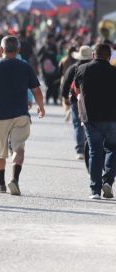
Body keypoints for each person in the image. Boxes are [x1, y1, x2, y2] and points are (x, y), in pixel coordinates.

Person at [0, 36, 45, 195]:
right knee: (18, 148)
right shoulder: (25, 66)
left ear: (1, 50)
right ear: (18, 50)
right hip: (20, 114)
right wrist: (41, 107)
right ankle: (14, 179)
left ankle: (1, 185)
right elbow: (36, 91)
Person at [74, 43, 116, 200]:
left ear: (93, 55)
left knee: (94, 152)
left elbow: (76, 91)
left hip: (90, 117)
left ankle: (95, 190)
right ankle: (109, 181)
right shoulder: (114, 71)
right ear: (109, 56)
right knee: (112, 149)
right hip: (112, 117)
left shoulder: (81, 69)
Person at [60, 45, 92, 160]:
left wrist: (64, 97)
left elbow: (65, 85)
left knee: (78, 124)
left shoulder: (73, 68)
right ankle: (88, 147)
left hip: (74, 100)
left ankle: (80, 150)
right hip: (90, 100)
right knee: (89, 124)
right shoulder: (92, 68)